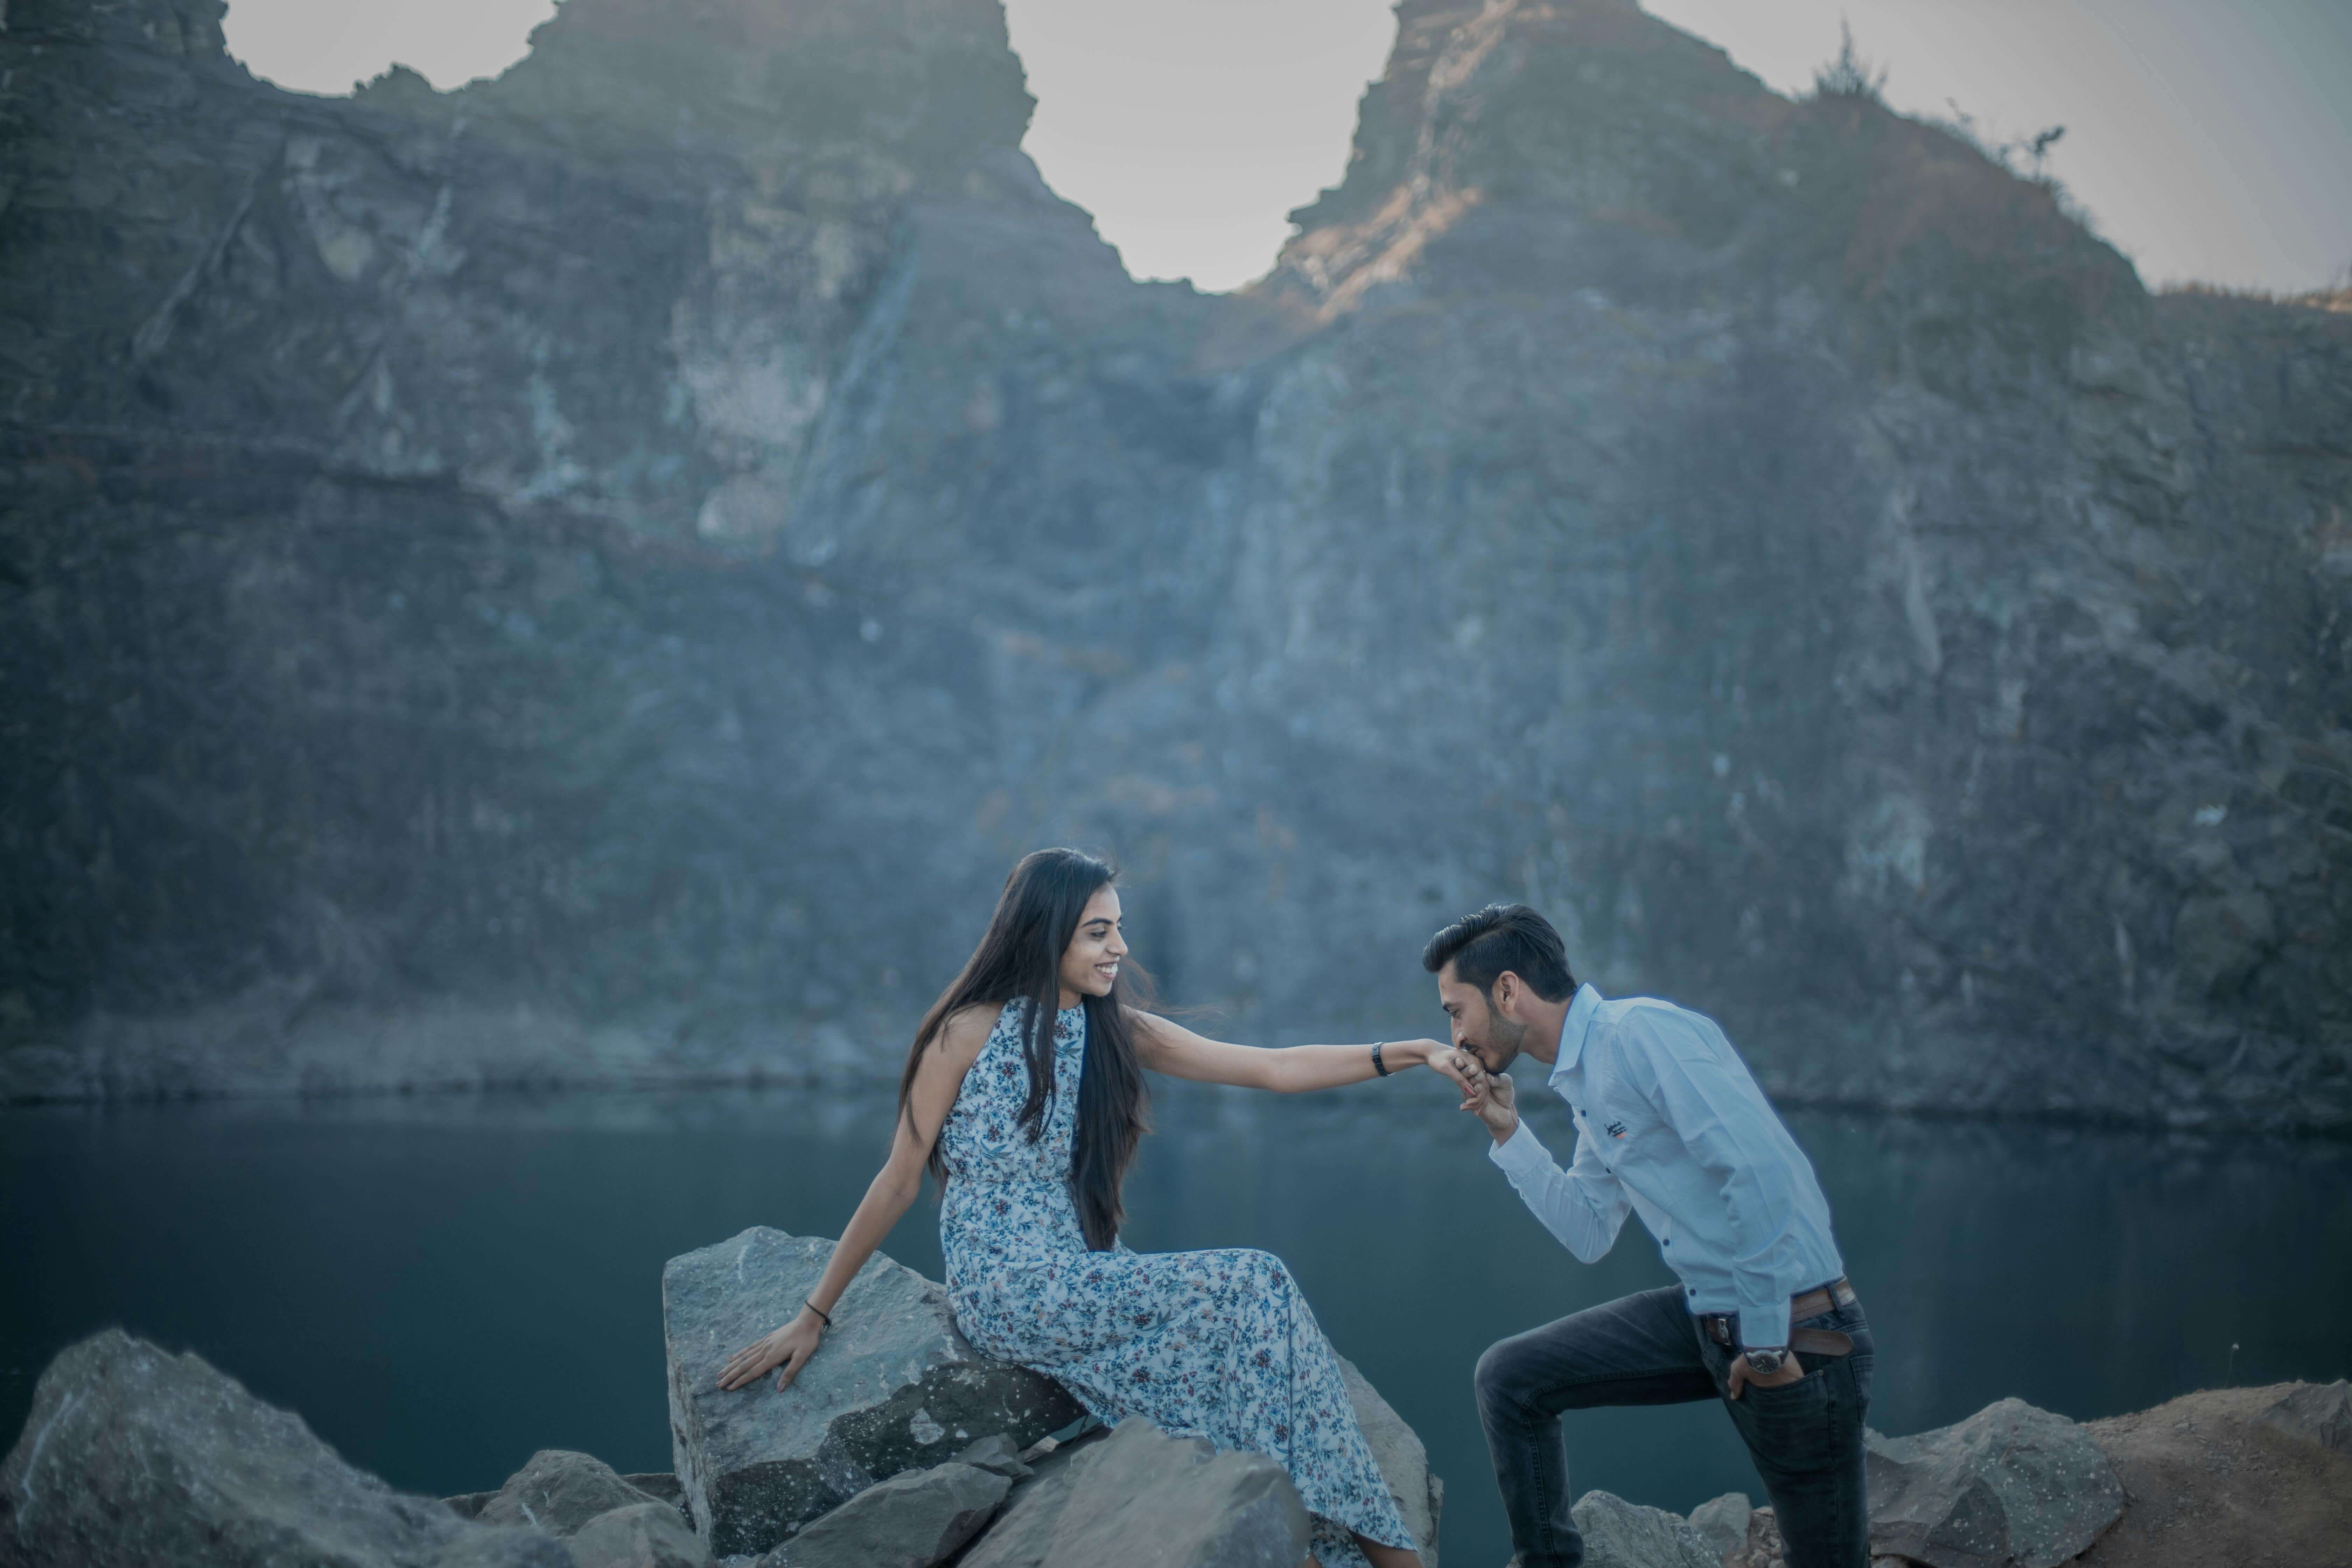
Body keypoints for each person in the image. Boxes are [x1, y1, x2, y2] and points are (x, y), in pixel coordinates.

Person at [718, 848, 1463, 1568]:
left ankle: (1299, 1538)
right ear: (1045, 931)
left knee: (1239, 1338)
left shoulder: (1111, 1028)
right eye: (1098, 931)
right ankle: (1368, 1547)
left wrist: (1412, 1050)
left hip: (1077, 1270)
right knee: (1255, 1281)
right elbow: (899, 1178)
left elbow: (1269, 1067)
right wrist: (813, 1313)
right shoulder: (964, 1030)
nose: (1119, 947)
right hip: (1008, 1288)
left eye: (1119, 927)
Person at [1424, 904, 1875, 1568]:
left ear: (1509, 991)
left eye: (1455, 1011)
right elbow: (1588, 1231)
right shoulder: (1585, 1079)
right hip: (1706, 1318)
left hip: (1793, 1328)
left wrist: (1768, 1343)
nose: (1456, 1036)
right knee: (1511, 1379)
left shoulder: (1641, 1035)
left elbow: (1760, 1176)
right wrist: (1507, 1133)